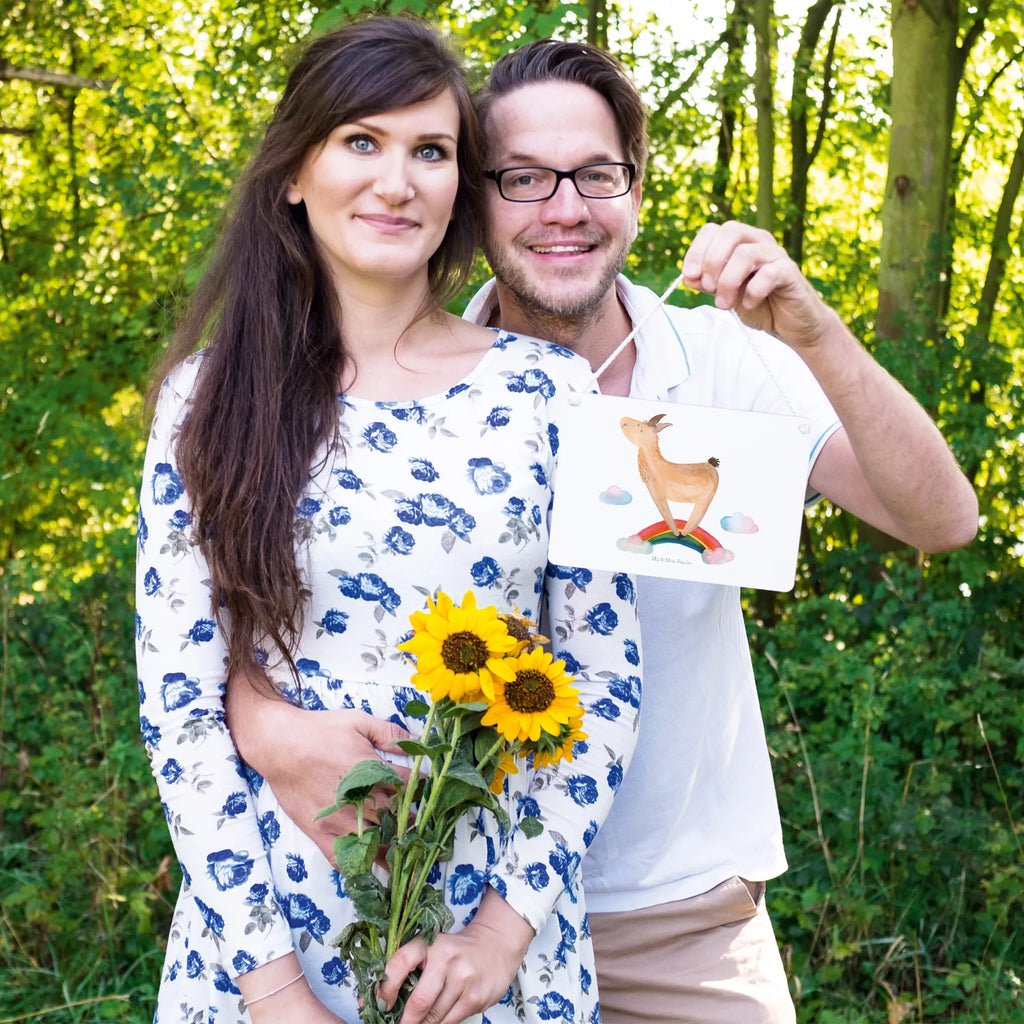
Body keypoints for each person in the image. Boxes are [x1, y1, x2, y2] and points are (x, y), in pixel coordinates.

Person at [226, 36, 979, 1024]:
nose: (565, 208)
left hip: (678, 918)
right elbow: (277, 616)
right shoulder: (408, 380)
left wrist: (809, 327)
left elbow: (941, 518)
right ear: (473, 196)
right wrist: (258, 715)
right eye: (525, 178)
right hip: (457, 906)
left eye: (595, 174)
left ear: (636, 185)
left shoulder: (719, 354)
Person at [136, 19, 641, 1024]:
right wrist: (276, 994)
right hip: (266, 935)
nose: (397, 181)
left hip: (487, 945)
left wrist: (498, 935)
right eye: (361, 142)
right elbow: (180, 709)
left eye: (432, 152)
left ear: (460, 186)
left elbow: (605, 681)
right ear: (293, 172)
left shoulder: (552, 395)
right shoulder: (208, 399)